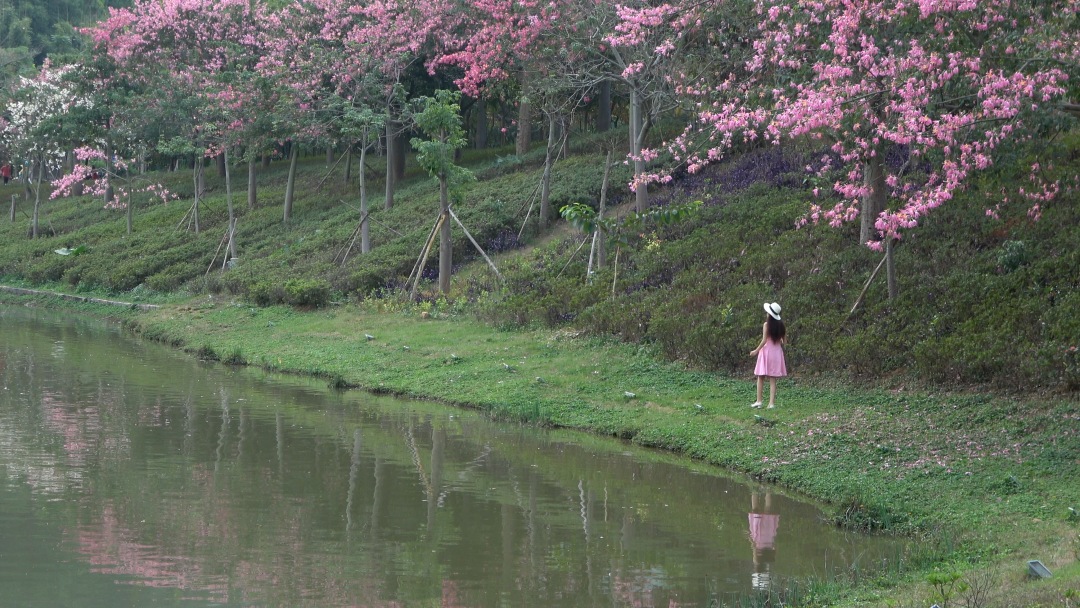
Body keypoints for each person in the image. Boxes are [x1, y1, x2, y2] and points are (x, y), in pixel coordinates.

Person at [749, 302, 786, 408]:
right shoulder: (782, 326)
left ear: (769, 314)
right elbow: (784, 341)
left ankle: (759, 401)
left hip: (766, 352)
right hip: (776, 353)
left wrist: (756, 351)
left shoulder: (766, 325)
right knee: (772, 379)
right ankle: (771, 403)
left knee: (761, 377)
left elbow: (764, 340)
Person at [748, 487, 780, 591]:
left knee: (768, 509)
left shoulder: (770, 559)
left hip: (769, 537)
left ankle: (768, 490)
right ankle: (753, 489)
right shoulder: (757, 560)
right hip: (758, 538)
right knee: (755, 509)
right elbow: (753, 547)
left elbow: (775, 547)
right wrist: (750, 538)